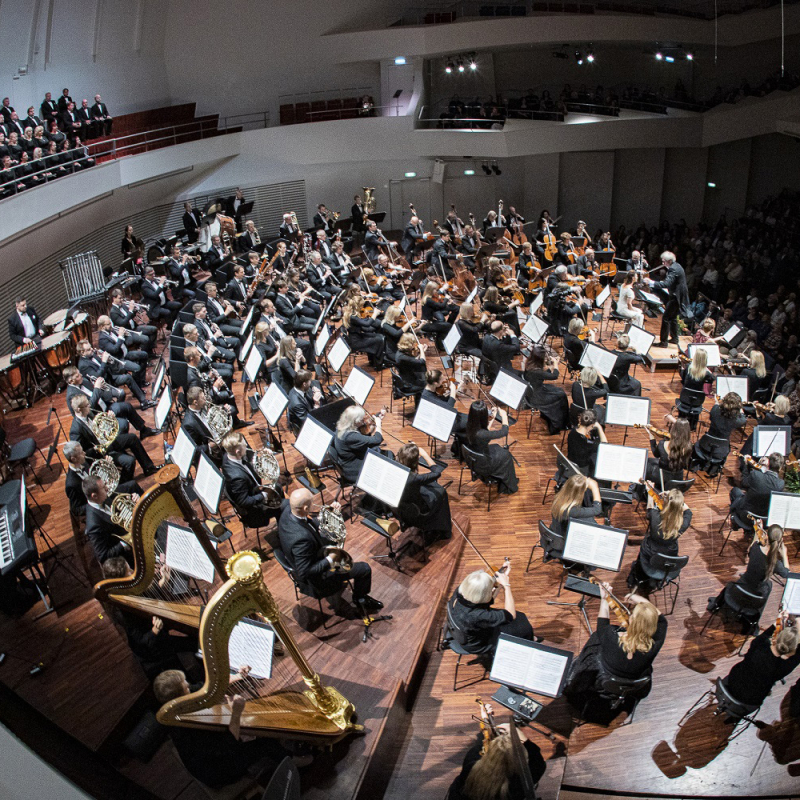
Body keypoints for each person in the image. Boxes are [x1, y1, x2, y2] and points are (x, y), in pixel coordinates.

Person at [153, 669, 302, 789]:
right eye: (185, 686)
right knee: (265, 743)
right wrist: (236, 711)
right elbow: (230, 745)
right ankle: (295, 761)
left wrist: (237, 676)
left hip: (218, 749)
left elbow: (206, 689)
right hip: (217, 770)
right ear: (180, 698)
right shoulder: (187, 727)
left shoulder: (182, 701)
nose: (189, 685)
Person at [278, 488, 383, 613]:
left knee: (332, 540)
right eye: (311, 503)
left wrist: (331, 514)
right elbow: (305, 572)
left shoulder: (288, 509)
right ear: (306, 509)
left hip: (313, 550)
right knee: (364, 569)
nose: (314, 504)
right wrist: (330, 559)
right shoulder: (301, 540)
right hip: (319, 580)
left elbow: (309, 523)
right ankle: (360, 598)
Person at [564, 585, 667, 709]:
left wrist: (605, 599)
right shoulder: (655, 644)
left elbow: (602, 625)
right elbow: (662, 620)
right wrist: (642, 602)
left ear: (632, 621)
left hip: (602, 680)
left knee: (595, 641)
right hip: (633, 684)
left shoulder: (612, 637)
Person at [447, 704, 546, 800]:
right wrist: (522, 737)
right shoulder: (520, 782)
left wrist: (487, 721)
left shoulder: (472, 761)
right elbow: (538, 762)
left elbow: (483, 743)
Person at [708, 524, 789, 632]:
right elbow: (786, 573)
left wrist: (756, 533)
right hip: (756, 598)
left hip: (739, 588)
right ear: (779, 541)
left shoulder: (756, 547)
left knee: (767, 584)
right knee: (768, 585)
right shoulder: (775, 563)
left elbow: (750, 551)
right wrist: (784, 554)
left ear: (767, 535)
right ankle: (753, 621)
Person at [446, 565, 535, 661]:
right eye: (491, 589)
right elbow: (510, 615)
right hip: (477, 643)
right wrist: (506, 586)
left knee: (519, 619)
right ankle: (528, 643)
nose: (493, 590)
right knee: (523, 625)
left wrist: (500, 582)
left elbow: (484, 598)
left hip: (460, 630)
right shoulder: (477, 616)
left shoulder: (460, 591)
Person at [69, 395, 158, 482]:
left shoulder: (89, 413)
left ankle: (149, 468)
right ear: (79, 410)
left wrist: (109, 417)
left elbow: (100, 425)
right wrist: (96, 449)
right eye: (87, 405)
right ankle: (125, 483)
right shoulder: (75, 430)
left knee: (132, 438)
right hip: (100, 453)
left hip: (107, 443)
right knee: (130, 461)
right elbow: (83, 454)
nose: (89, 406)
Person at [721, 616, 800, 708]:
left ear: (775, 638)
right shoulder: (782, 668)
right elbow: (796, 657)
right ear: (791, 652)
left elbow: (769, 632)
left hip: (733, 681)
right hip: (751, 699)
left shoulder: (758, 644)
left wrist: (780, 620)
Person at [627, 489, 691, 591]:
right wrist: (676, 500)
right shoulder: (685, 522)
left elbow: (650, 507)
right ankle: (657, 580)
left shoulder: (655, 517)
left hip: (650, 554)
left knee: (644, 544)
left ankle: (638, 576)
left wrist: (649, 492)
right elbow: (688, 510)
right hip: (669, 557)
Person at [63, 441, 142, 518]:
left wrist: (107, 463)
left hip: (104, 491)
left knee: (133, 485)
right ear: (73, 459)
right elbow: (76, 510)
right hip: (100, 501)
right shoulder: (71, 484)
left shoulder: (82, 462)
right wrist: (96, 501)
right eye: (81, 453)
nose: (84, 453)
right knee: (131, 491)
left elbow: (96, 473)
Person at [220, 431, 283, 529]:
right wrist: (263, 495)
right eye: (245, 446)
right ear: (238, 452)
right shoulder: (236, 478)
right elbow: (244, 501)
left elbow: (249, 454)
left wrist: (264, 452)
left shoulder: (228, 455)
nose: (247, 446)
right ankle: (283, 528)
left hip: (253, 490)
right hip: (254, 512)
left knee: (277, 488)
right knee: (283, 506)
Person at [395, 442, 452, 541]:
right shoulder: (415, 478)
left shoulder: (395, 467)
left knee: (431, 489)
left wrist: (409, 448)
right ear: (416, 460)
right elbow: (437, 472)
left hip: (400, 507)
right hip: (417, 511)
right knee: (442, 493)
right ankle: (443, 530)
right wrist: (425, 454)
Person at [464, 401, 518, 494]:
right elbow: (504, 432)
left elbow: (485, 435)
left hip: (474, 455)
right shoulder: (482, 434)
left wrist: (492, 418)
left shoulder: (470, 424)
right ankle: (509, 485)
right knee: (507, 456)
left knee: (498, 449)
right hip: (484, 462)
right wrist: (504, 417)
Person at [82, 475, 136, 565]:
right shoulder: (94, 524)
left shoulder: (102, 498)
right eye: (103, 488)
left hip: (131, 532)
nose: (107, 488)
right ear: (94, 496)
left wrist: (133, 499)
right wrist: (126, 542)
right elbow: (103, 556)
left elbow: (121, 506)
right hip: (128, 554)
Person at [693, 392, 747, 476]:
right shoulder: (737, 421)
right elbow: (743, 418)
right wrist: (740, 410)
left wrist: (717, 402)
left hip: (705, 444)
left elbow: (714, 412)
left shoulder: (715, 410)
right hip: (721, 450)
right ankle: (714, 468)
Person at [331, 404, 386, 484]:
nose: (364, 420)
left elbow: (363, 439)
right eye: (362, 419)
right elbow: (377, 440)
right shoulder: (350, 436)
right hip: (355, 471)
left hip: (348, 462)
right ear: (355, 421)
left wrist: (374, 425)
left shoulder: (342, 426)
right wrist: (378, 424)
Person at [646, 251, 691, 348]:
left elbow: (667, 284)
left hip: (676, 297)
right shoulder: (677, 266)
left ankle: (663, 342)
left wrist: (651, 283)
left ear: (669, 261)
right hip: (677, 295)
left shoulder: (673, 269)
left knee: (666, 318)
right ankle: (674, 339)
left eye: (664, 262)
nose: (663, 264)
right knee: (673, 317)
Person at [523, 345, 569, 434]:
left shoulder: (529, 364)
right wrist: (555, 365)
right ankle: (559, 424)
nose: (546, 359)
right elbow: (554, 376)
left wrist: (551, 368)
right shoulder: (536, 371)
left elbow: (541, 376)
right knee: (562, 395)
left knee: (559, 390)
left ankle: (550, 418)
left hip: (534, 392)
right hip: (537, 397)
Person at [730, 452, 785, 524]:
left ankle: (734, 521)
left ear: (768, 463)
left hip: (746, 514)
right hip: (763, 518)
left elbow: (744, 483)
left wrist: (746, 465)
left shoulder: (756, 474)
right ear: (780, 468)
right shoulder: (781, 484)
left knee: (735, 491)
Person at [549, 474, 603, 540]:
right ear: (581, 492)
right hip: (562, 539)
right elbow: (597, 510)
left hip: (557, 529)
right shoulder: (572, 510)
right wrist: (595, 487)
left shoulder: (559, 497)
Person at [644, 417, 692, 488]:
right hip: (678, 479)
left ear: (674, 430)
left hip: (662, 478)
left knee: (646, 463)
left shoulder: (663, 444)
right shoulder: (689, 446)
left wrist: (652, 437)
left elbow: (656, 454)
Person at [342, 297, 385, 368]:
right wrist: (374, 314)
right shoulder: (353, 317)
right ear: (357, 306)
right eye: (361, 306)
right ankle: (378, 364)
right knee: (380, 339)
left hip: (357, 337)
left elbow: (362, 325)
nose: (362, 307)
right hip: (356, 342)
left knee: (378, 336)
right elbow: (367, 324)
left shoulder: (351, 313)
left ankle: (373, 361)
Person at [567, 409, 607, 476]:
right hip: (583, 469)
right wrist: (599, 428)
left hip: (572, 463)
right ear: (592, 425)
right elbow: (605, 445)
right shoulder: (588, 444)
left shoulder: (572, 432)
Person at [395, 332, 428, 400]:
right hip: (408, 385)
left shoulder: (401, 352)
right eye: (414, 342)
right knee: (429, 383)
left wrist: (422, 352)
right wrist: (421, 350)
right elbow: (422, 362)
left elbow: (414, 360)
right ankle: (420, 404)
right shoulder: (402, 357)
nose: (415, 344)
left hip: (407, 378)